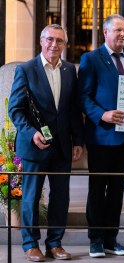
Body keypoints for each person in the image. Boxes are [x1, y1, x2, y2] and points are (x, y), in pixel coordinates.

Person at [8, 24, 84, 262]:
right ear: (41, 41)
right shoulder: (26, 69)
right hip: (34, 145)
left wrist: (78, 140)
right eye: (50, 39)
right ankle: (31, 245)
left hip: (62, 145)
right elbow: (16, 109)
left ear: (65, 45)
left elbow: (73, 109)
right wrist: (31, 133)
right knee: (31, 197)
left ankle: (55, 244)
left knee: (61, 197)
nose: (54, 45)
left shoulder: (70, 70)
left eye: (59, 41)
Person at [78, 14, 124, 258]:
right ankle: (95, 239)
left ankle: (111, 239)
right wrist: (101, 115)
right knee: (97, 190)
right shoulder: (91, 59)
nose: (122, 34)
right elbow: (83, 96)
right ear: (105, 33)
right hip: (101, 136)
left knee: (117, 191)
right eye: (117, 30)